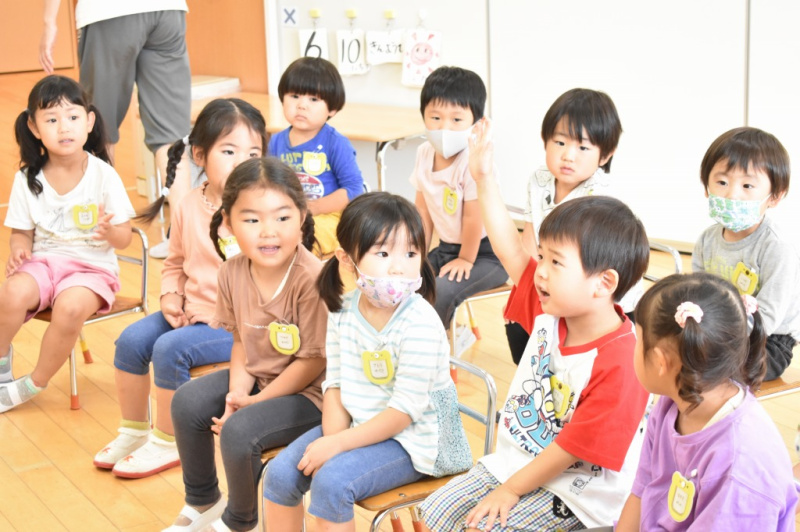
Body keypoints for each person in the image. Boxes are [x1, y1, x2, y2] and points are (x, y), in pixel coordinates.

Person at [418, 120, 651, 531]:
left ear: (604, 283)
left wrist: (510, 490)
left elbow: (572, 449)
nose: (540, 271)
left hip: (575, 496)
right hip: (513, 465)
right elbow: (509, 247)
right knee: (431, 513)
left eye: (555, 262)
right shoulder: (552, 312)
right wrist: (483, 177)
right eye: (541, 256)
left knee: (481, 528)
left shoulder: (622, 358)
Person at [263, 192, 472, 532]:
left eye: (411, 253)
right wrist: (333, 440)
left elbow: (403, 412)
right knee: (280, 474)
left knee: (332, 483)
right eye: (384, 253)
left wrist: (337, 445)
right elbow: (335, 384)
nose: (399, 266)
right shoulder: (342, 311)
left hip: (417, 442)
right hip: (360, 426)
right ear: (346, 259)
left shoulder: (419, 321)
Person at [92, 99, 268, 479]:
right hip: (192, 311)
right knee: (131, 341)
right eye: (229, 151)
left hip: (237, 326)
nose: (242, 162)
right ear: (200, 155)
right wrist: (171, 296)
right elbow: (175, 262)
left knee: (169, 349)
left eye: (253, 153)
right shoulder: (189, 204)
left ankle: (167, 440)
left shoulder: (262, 211)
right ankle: (133, 432)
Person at [163, 158, 327, 532]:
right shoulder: (231, 271)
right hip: (260, 380)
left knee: (239, 430)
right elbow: (241, 341)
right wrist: (236, 395)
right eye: (252, 220)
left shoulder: (312, 278)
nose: (268, 232)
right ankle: (202, 500)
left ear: (302, 218)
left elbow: (313, 363)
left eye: (282, 217)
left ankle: (240, 521)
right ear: (228, 222)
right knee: (187, 402)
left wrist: (256, 402)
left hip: (312, 395)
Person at [611, 272, 799, 531]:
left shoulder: (739, 467)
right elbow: (641, 491)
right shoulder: (671, 403)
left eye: (638, 339)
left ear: (660, 361)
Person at [0, 75, 134, 412]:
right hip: (44, 264)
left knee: (70, 308)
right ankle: (1, 362)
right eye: (51, 120)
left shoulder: (104, 175)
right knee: (10, 292)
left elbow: (125, 237)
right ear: (33, 127)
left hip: (92, 270)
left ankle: (34, 382)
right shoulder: (27, 178)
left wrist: (110, 232)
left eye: (73, 117)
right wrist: (18, 249)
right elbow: (21, 232)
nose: (64, 128)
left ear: (89, 121)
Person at [39, 1, 193, 259]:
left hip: (108, 11)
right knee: (171, 135)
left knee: (99, 128)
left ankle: (95, 236)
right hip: (167, 10)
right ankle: (184, 237)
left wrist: (49, 22)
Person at [506, 88, 643, 365]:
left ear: (605, 155)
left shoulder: (600, 196)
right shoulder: (539, 180)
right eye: (559, 142)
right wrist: (525, 289)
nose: (568, 155)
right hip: (556, 277)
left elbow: (594, 270)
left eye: (583, 147)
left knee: (580, 360)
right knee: (517, 326)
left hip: (602, 296)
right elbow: (530, 237)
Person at [692, 127, 799, 381]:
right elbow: (699, 293)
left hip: (769, 340)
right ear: (706, 186)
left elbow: (769, 315)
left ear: (774, 196)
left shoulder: (776, 246)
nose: (732, 194)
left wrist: (722, 341)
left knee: (719, 371)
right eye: (722, 182)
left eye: (747, 185)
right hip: (720, 331)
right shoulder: (707, 240)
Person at [411, 66, 507, 330]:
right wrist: (415, 255)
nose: (444, 127)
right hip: (446, 249)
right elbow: (422, 211)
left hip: (485, 254)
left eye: (456, 119)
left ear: (475, 122)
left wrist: (465, 258)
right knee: (407, 282)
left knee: (440, 291)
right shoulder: (423, 153)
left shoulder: (473, 160)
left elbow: (474, 218)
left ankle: (436, 349)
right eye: (435, 117)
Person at [269, 57, 364, 257]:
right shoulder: (275, 142)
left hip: (328, 217)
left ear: (332, 109)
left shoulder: (336, 143)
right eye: (294, 96)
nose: (302, 105)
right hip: (285, 216)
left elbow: (353, 189)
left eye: (313, 99)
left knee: (302, 240)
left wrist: (315, 207)